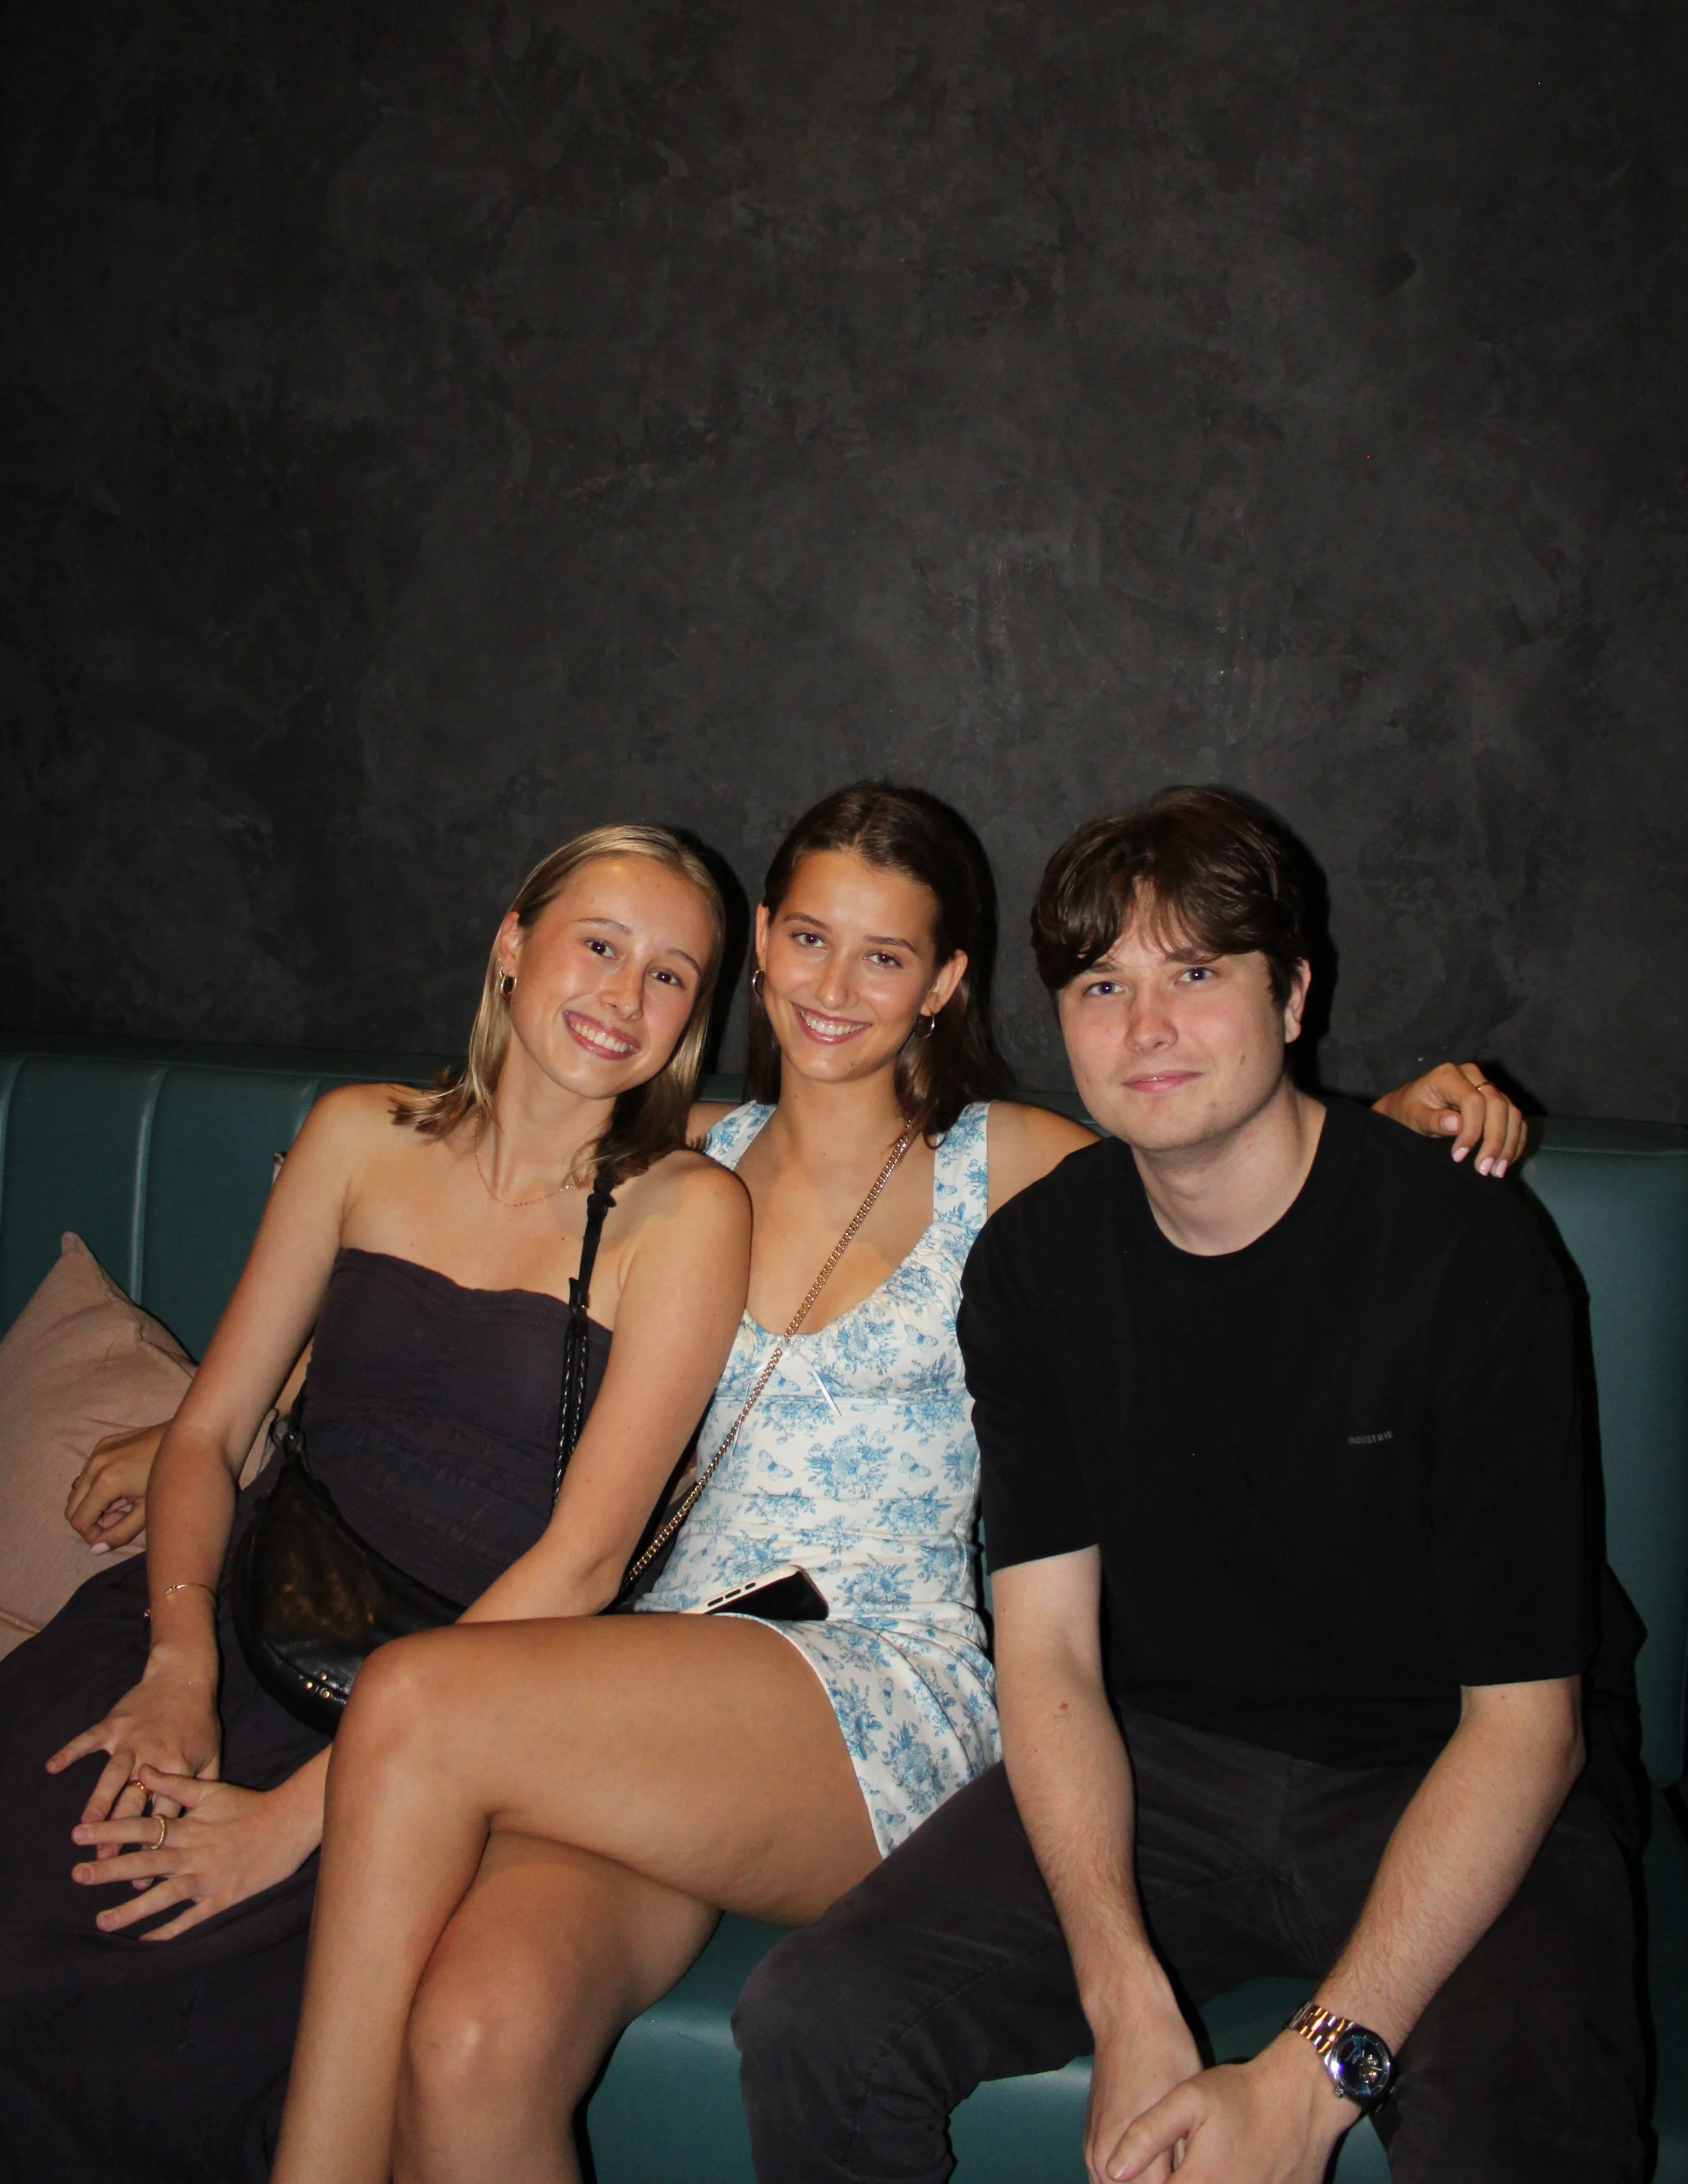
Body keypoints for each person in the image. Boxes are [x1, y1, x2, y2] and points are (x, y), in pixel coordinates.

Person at [263, 779, 1520, 2184]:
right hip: (650, 1694)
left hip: (877, 1692)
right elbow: (455, 1285)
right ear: (759, 941)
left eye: (884, 955)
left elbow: (1212, 1139)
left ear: (945, 982)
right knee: (475, 2042)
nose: (833, 988)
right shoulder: (685, 1160)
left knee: (420, 1697)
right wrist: (217, 1428)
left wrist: (1384, 1119)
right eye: (807, 940)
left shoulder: (1013, 1165)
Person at [734, 784, 1645, 2184]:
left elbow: (1527, 1731)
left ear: (1292, 995)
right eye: (1101, 985)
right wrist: (1122, 1993)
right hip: (1163, 1770)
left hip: (1444, 1767)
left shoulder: (1460, 1254)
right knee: (817, 2019)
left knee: (1520, 2134)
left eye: (1196, 973)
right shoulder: (1037, 1269)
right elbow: (1044, 1655)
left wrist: (1304, 2082)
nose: (1143, 1027)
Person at [0, 824, 750, 2184]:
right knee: (35, 1866)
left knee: (181, 2003)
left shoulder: (685, 1214)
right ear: (511, 943)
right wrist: (173, 1661)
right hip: (237, 1613)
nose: (622, 998)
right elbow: (212, 1431)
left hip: (460, 1711)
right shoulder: (358, 1134)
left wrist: (294, 1824)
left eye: (670, 979)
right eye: (598, 944)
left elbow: (580, 1568)